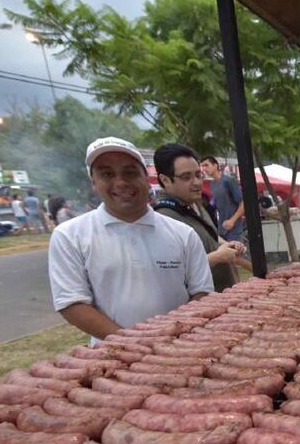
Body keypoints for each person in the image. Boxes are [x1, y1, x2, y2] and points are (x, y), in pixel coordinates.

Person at [48, 136, 214, 344]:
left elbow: (202, 292)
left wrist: (174, 336)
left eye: (130, 172)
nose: (120, 182)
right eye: (107, 174)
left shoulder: (183, 233)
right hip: (112, 356)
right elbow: (72, 303)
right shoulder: (69, 235)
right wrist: (132, 342)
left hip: (181, 348)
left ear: (146, 178)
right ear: (94, 182)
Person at [154, 143, 243, 292]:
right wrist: (217, 257)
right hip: (200, 306)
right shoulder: (163, 218)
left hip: (224, 296)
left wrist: (226, 243)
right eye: (186, 177)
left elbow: (209, 235)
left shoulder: (195, 204)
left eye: (198, 175)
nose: (196, 182)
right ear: (165, 180)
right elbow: (172, 272)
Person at [200, 156, 243, 242]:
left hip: (234, 228)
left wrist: (232, 220)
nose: (204, 169)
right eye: (202, 166)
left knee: (236, 253)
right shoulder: (212, 184)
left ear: (215, 165)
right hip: (221, 228)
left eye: (206, 165)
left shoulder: (228, 180)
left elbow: (243, 203)